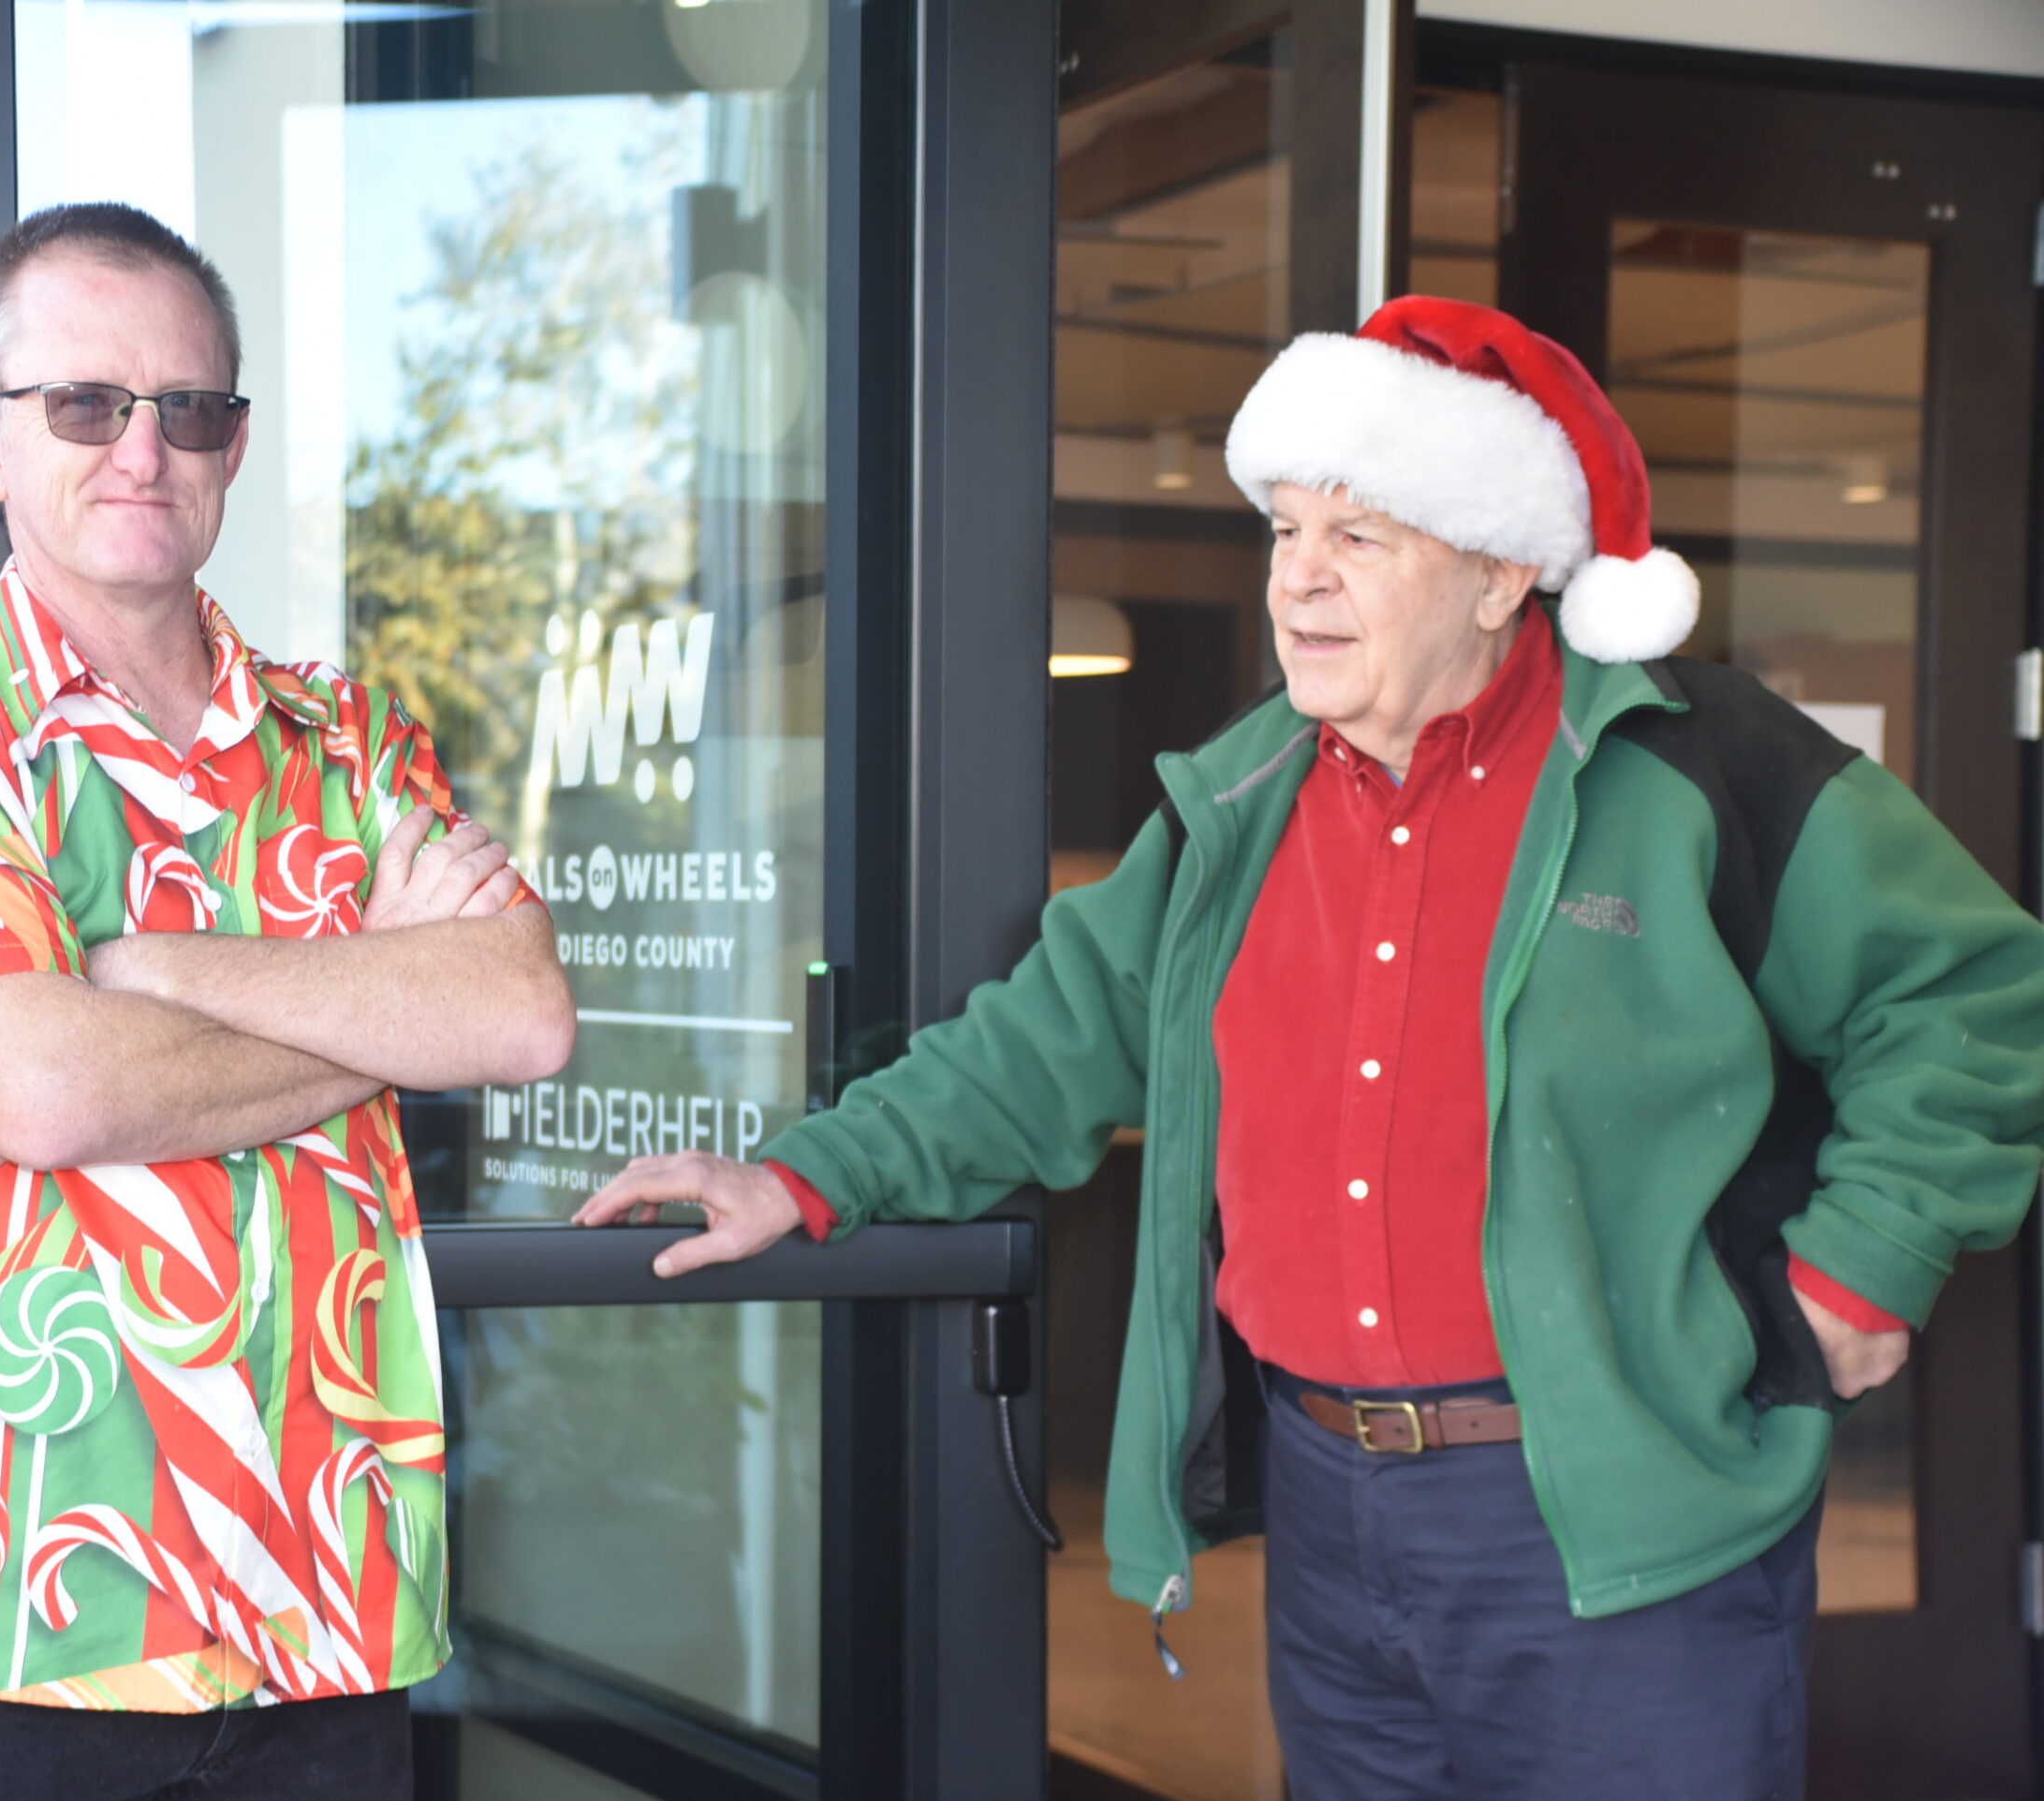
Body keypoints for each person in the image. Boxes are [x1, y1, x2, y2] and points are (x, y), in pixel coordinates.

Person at [577, 296, 2044, 1798]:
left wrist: (1868, 1264)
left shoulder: (1694, 765)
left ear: (1498, 576)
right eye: (1285, 532)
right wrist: (805, 1175)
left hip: (1622, 1504)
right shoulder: (1240, 799)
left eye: (1361, 536)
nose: (1300, 579)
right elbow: (1041, 1042)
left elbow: (1973, 990)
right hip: (1331, 1512)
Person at [0, 202, 574, 1800]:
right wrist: (371, 1006)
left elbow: (517, 1021)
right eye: (85, 403)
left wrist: (135, 969)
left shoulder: (352, 738)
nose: (144, 449)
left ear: (235, 444)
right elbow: (53, 1093)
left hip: (321, 1614)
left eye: (190, 408)